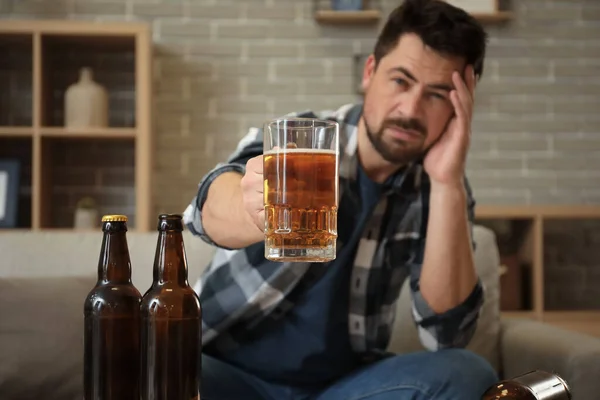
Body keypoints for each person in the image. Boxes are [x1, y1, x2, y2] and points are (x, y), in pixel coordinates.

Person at [183, 0, 499, 398]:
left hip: (342, 390)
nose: (410, 109)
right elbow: (206, 209)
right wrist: (252, 208)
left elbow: (447, 333)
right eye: (401, 81)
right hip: (225, 374)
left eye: (436, 95)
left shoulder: (438, 188)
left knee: (466, 372)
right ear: (370, 72)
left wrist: (448, 181)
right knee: (150, 360)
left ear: (460, 109)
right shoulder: (302, 143)